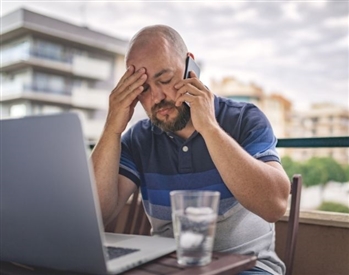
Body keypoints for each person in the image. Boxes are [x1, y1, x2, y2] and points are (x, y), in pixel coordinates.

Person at [91, 24, 291, 275]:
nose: (157, 97)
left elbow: (274, 205)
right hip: (169, 267)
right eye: (143, 89)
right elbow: (94, 215)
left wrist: (209, 128)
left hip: (249, 267)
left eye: (165, 79)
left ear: (190, 67)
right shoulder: (138, 139)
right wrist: (112, 128)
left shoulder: (245, 119)